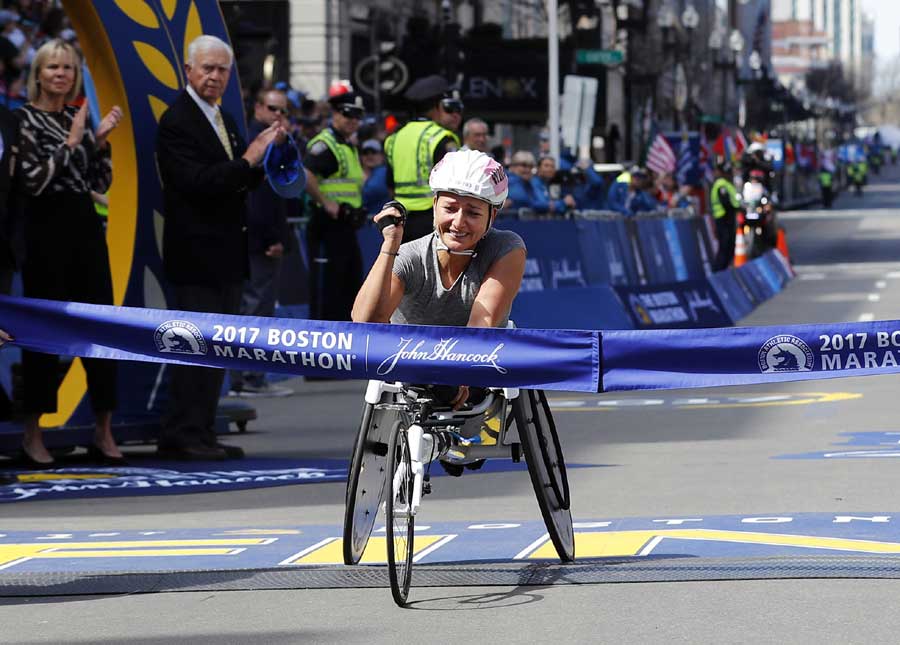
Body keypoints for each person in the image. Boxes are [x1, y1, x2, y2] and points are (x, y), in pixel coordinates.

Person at [352, 150, 525, 472]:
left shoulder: (507, 248)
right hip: (412, 366)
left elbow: (482, 321)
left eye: (473, 213)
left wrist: (459, 373)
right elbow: (364, 320)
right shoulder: (410, 256)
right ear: (434, 207)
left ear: (492, 217)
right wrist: (390, 244)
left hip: (474, 363)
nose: (458, 222)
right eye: (449, 208)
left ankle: (459, 436)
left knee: (460, 409)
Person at [156, 35, 284, 461]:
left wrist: (267, 159)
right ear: (188, 71)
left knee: (216, 349)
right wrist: (250, 158)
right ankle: (182, 432)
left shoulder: (225, 117)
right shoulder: (177, 120)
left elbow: (238, 180)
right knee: (192, 348)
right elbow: (197, 183)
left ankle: (204, 430)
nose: (214, 76)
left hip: (229, 251)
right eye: (206, 68)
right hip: (194, 254)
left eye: (221, 70)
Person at [14, 38, 123, 466]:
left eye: (68, 68)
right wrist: (72, 142)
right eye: (53, 67)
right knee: (42, 334)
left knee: (101, 326)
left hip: (84, 227)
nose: (61, 74)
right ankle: (33, 433)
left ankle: (104, 430)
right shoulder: (23, 119)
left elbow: (99, 181)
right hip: (44, 230)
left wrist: (98, 142)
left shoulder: (73, 119)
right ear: (37, 73)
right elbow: (34, 181)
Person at [228, 87, 297, 398]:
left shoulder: (273, 140)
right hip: (257, 239)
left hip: (264, 236)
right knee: (254, 310)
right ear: (258, 107)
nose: (278, 116)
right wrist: (271, 238)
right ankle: (247, 378)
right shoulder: (256, 139)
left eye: (284, 111)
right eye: (273, 108)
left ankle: (251, 375)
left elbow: (279, 193)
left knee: (260, 309)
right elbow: (257, 197)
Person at [303, 86, 366, 323]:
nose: (353, 120)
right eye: (348, 114)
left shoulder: (347, 144)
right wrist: (326, 202)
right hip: (327, 226)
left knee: (349, 285)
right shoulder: (326, 144)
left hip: (346, 225)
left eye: (358, 115)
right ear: (335, 114)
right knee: (329, 289)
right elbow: (305, 173)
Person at [385, 74, 461, 242]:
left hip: (401, 218)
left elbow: (390, 183)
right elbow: (455, 184)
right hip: (431, 218)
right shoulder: (442, 137)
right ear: (437, 106)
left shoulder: (393, 138)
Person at [710, 160, 740, 271]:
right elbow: (726, 202)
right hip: (723, 219)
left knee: (729, 247)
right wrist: (738, 208)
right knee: (724, 247)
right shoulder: (721, 184)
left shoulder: (728, 184)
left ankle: (725, 270)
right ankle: (718, 271)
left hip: (729, 219)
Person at [361, 138, 389, 215]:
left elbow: (371, 192)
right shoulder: (360, 172)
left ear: (382, 156)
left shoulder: (383, 172)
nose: (369, 156)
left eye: (373, 152)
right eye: (365, 153)